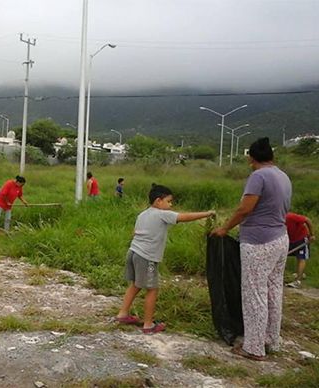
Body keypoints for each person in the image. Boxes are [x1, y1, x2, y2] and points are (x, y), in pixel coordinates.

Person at [211, 137, 292, 361]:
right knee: (274, 291)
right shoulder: (283, 176)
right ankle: (271, 339)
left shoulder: (259, 176)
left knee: (254, 293)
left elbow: (245, 209)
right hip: (280, 239)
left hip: (259, 242)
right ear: (272, 156)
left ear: (251, 158)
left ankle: (254, 347)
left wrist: (225, 228)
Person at [115, 183, 215, 334]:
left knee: (135, 284)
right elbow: (184, 217)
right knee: (152, 289)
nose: (171, 204)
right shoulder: (162, 214)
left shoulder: (142, 214)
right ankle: (148, 325)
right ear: (158, 201)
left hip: (133, 252)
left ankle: (123, 314)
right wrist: (207, 213)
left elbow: (135, 232)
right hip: (147, 257)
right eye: (168, 201)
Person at [285, 212, 315, 288]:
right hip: (289, 240)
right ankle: (298, 274)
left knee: (301, 258)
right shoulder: (274, 219)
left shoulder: (290, 216)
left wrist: (312, 235)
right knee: (282, 256)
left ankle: (297, 281)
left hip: (301, 238)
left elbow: (307, 220)